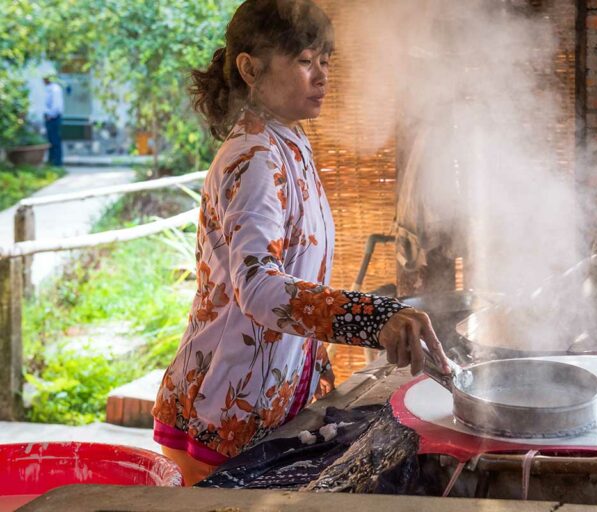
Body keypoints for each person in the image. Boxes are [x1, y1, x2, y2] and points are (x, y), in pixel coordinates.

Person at [151, 0, 451, 486]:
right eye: (305, 61)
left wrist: (313, 360)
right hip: (223, 415)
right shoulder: (253, 158)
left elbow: (294, 276)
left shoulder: (287, 142)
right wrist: (371, 318)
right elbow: (260, 288)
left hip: (260, 403)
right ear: (250, 69)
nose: (322, 75)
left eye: (326, 61)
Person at [43, 74, 64, 166]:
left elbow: (56, 105)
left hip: (53, 118)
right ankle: (51, 161)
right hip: (49, 117)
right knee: (50, 140)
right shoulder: (48, 88)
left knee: (55, 140)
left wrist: (50, 115)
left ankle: (57, 162)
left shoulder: (55, 89)